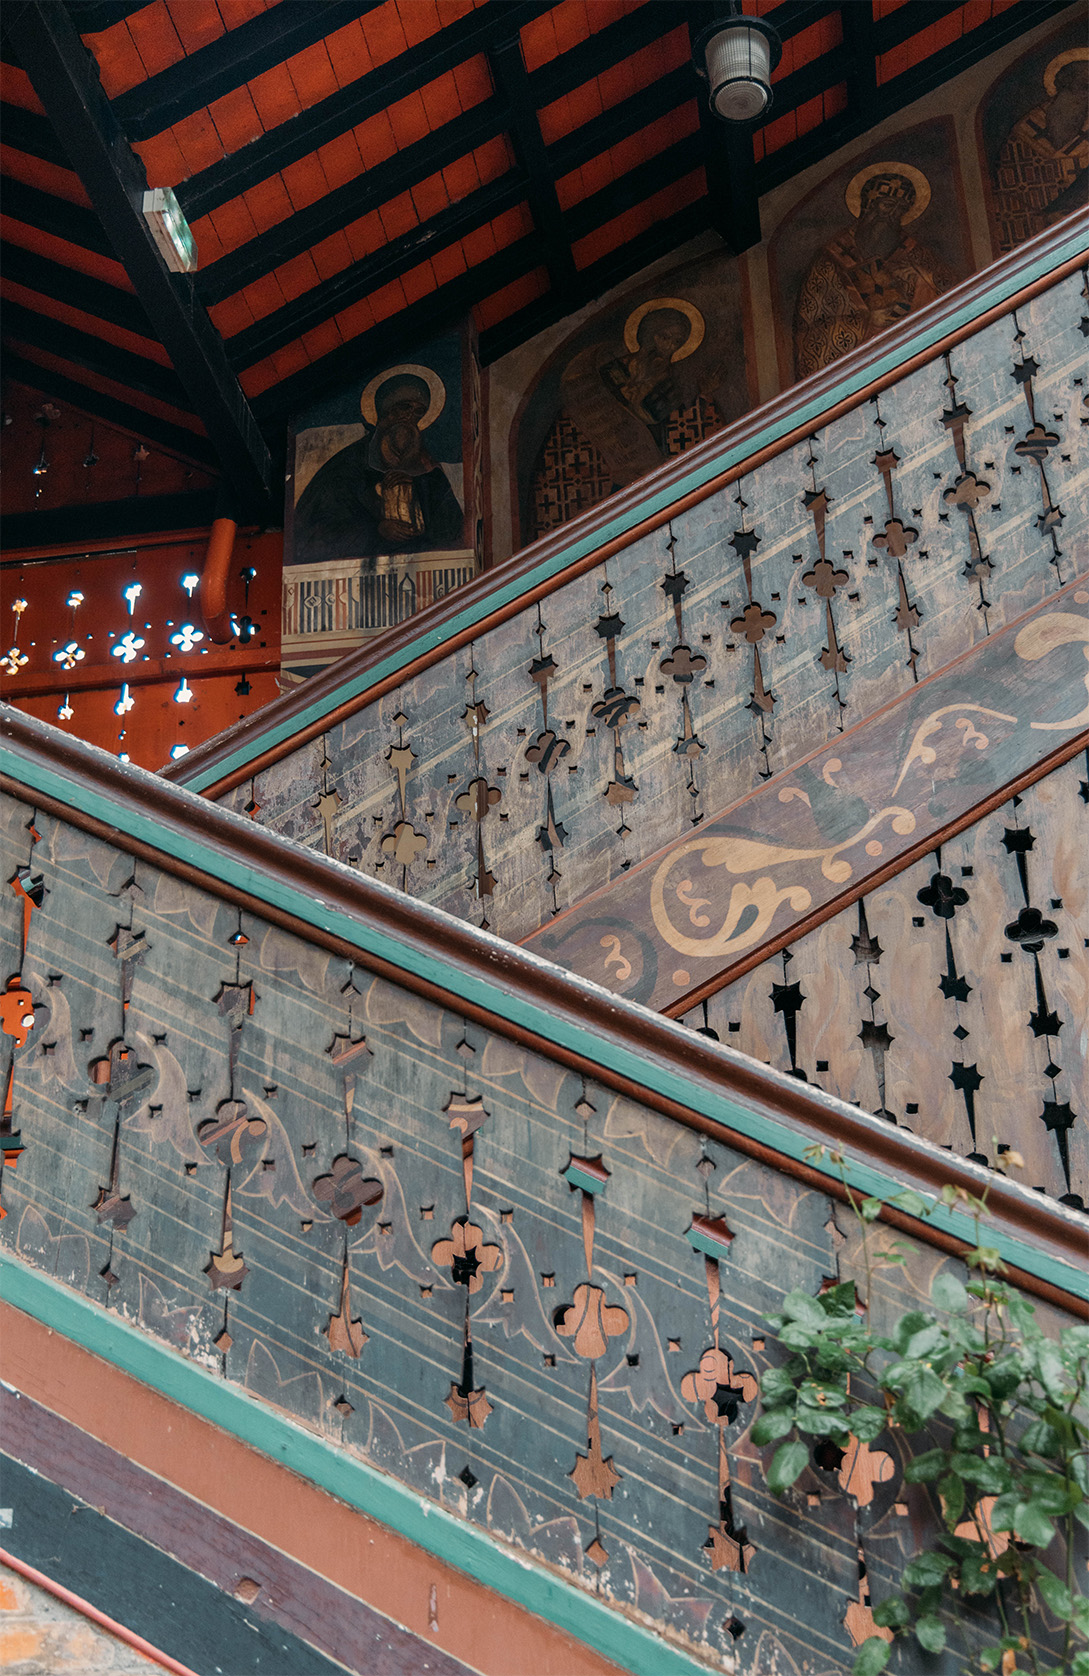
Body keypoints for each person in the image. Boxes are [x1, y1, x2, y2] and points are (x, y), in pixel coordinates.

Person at [793, 168, 950, 379]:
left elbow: (950, 298)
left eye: (900, 209)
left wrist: (922, 286)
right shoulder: (829, 262)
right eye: (886, 205)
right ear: (868, 206)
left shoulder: (917, 255)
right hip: (861, 376)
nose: (891, 215)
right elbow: (812, 332)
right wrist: (869, 323)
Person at [292, 374, 463, 564]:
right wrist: (377, 529)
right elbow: (317, 532)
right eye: (404, 407)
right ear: (384, 411)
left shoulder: (430, 474)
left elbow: (453, 531)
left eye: (418, 412)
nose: (409, 417)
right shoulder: (346, 467)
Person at [992, 49, 1088, 253]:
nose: (1086, 95)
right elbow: (1010, 197)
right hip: (1046, 237)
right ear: (1063, 84)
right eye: (1083, 86)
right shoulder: (1024, 130)